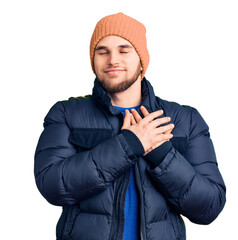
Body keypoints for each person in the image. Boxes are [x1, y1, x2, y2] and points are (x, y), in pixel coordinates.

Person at [34, 12, 226, 240]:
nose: (112, 59)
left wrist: (163, 155)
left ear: (142, 59)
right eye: (102, 51)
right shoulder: (66, 114)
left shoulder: (186, 120)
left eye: (124, 50)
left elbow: (209, 207)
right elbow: (53, 185)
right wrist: (129, 144)